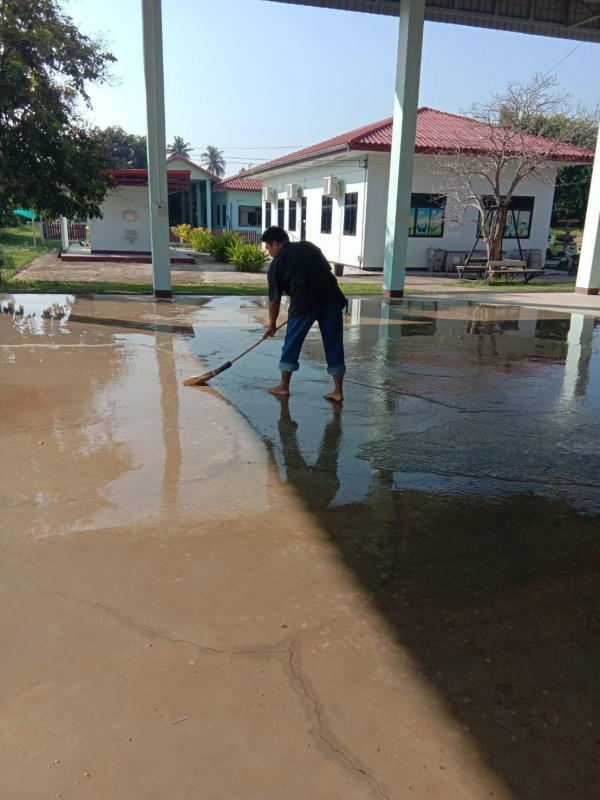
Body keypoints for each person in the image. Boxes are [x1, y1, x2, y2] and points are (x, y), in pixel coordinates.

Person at [261, 226, 346, 403]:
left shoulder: (276, 264)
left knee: (291, 344)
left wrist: (272, 324)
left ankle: (284, 387)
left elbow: (274, 300)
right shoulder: (309, 246)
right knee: (334, 343)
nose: (269, 253)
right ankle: (338, 391)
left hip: (303, 305)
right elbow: (326, 270)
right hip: (332, 299)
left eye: (268, 248)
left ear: (275, 244)